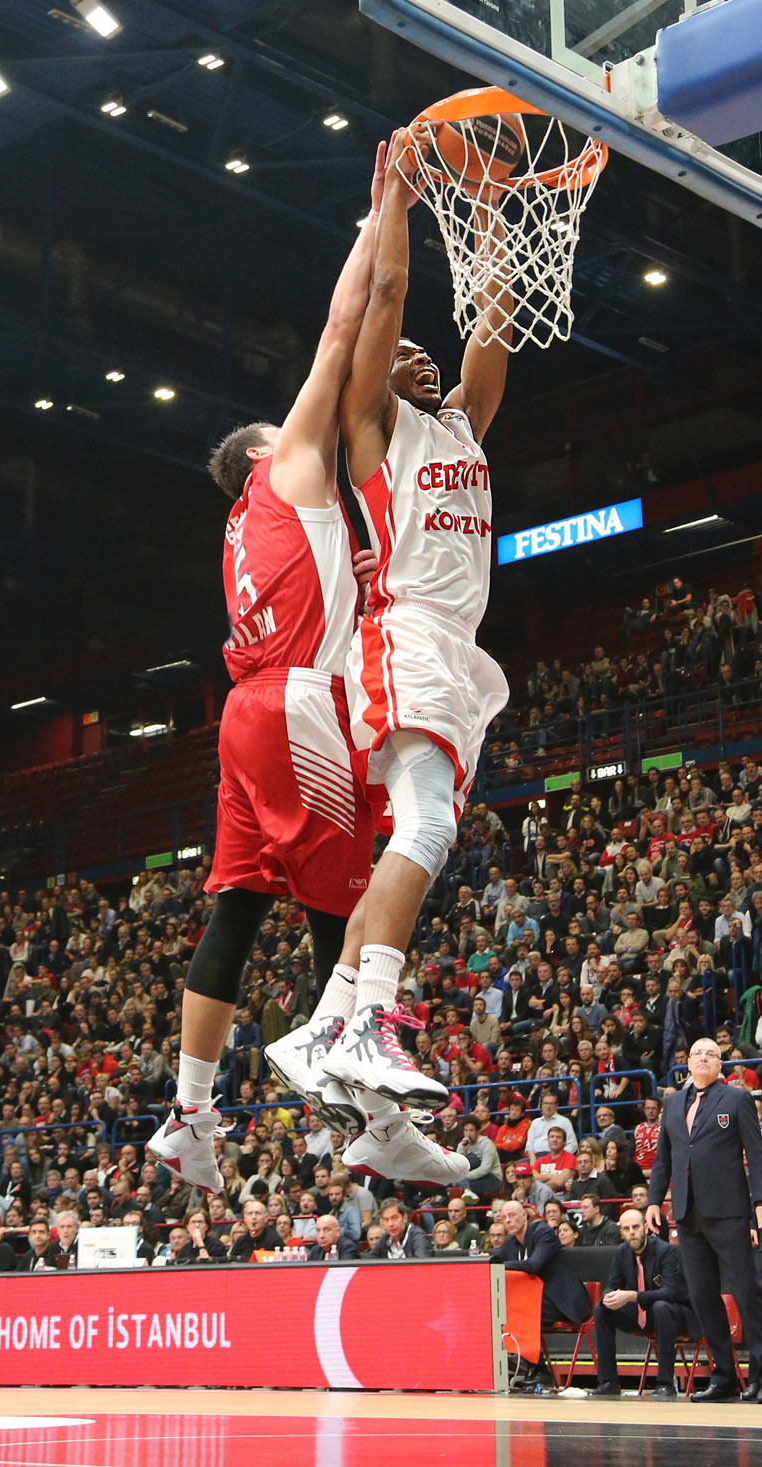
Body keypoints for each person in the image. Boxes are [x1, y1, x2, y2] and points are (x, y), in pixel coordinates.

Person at [147, 148, 387, 1192]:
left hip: (245, 714)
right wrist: (376, 220)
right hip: (297, 704)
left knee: (239, 909)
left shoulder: (240, 528)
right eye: (284, 428)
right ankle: (358, 1110)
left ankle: (190, 1113)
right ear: (261, 453)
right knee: (345, 903)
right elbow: (338, 333)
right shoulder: (285, 466)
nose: (303, 426)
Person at [318, 122, 513, 1177]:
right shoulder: (371, 429)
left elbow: (492, 318)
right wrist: (395, 194)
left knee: (420, 831)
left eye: (422, 353)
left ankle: (332, 1020)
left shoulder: (463, 428)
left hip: (453, 654)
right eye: (401, 354)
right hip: (404, 634)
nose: (418, 352)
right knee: (429, 824)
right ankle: (367, 1023)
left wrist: (487, 205)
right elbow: (386, 295)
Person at [647, 1036, 762, 1401]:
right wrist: (654, 1201)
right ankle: (724, 1377)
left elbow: (756, 1155)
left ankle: (760, 1375)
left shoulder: (737, 1099)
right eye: (698, 1053)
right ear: (688, 1062)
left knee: (746, 1293)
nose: (703, 1058)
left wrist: (760, 1201)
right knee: (702, 1296)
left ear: (720, 1064)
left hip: (729, 1211)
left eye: (711, 1054)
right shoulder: (671, 1103)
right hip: (687, 1213)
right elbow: (663, 1159)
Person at [590, 1208, 700, 1400]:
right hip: (645, 1313)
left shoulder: (666, 1251)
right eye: (627, 1229)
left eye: (636, 1227)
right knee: (602, 1309)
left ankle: (665, 1383)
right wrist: (608, 1297)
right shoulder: (621, 1253)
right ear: (621, 1233)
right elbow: (612, 1284)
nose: (632, 1232)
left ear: (646, 1228)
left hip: (679, 1313)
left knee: (661, 1306)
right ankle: (608, 1382)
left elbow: (669, 1292)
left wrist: (632, 1296)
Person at [493, 1199, 593, 1390]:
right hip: (535, 1301)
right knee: (504, 1313)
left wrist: (496, 1264)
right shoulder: (510, 1243)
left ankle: (539, 1370)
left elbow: (533, 1265)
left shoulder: (542, 1232)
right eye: (504, 1217)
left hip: (562, 1301)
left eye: (512, 1215)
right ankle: (526, 1365)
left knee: (519, 1314)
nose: (508, 1221)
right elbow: (501, 1266)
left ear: (524, 1216)